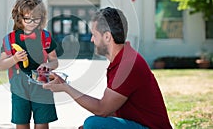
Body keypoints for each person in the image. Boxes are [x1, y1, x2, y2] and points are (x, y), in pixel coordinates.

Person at [43, 7, 172, 129]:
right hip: (138, 124)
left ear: (107, 36)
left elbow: (102, 109)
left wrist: (66, 87)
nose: (92, 40)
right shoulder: (123, 59)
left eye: (94, 34)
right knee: (94, 124)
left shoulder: (127, 65)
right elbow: (111, 109)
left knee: (93, 123)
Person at [0, 0, 59, 129]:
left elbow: (55, 61)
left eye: (36, 19)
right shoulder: (10, 39)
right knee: (21, 123)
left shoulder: (45, 37)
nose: (32, 23)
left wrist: (48, 65)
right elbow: (1, 65)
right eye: (28, 19)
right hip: (19, 87)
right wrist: (14, 58)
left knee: (42, 122)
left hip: (42, 85)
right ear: (19, 18)